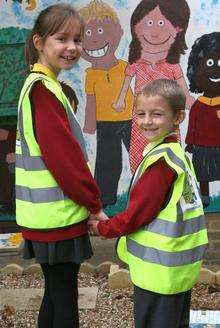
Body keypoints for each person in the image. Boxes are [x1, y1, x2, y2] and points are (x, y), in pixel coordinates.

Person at [89, 79, 208, 328]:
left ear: (178, 117)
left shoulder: (161, 164)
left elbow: (137, 215)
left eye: (157, 114)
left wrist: (103, 228)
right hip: (177, 270)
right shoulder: (177, 154)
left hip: (158, 272)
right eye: (141, 114)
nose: (146, 121)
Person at [15, 4, 104, 328]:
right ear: (39, 42)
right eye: (62, 38)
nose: (72, 47)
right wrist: (93, 202)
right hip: (58, 220)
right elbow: (65, 162)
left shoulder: (38, 86)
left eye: (78, 40)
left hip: (45, 219)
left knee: (56, 294)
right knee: (65, 301)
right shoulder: (44, 91)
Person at [113, 0, 195, 173]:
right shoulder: (137, 65)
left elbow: (183, 91)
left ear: (178, 29)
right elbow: (126, 82)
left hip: (166, 120)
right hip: (141, 119)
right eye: (149, 22)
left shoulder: (172, 66)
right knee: (139, 157)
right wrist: (120, 100)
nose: (155, 31)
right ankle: (141, 185)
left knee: (167, 158)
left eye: (161, 23)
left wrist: (188, 100)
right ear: (136, 26)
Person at [79, 0, 134, 207]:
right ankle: (107, 197)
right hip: (105, 122)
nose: (93, 40)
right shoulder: (90, 74)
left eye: (100, 30)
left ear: (118, 33)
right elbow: (91, 99)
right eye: (87, 34)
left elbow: (132, 92)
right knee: (107, 162)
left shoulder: (124, 67)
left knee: (140, 156)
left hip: (130, 119)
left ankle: (146, 192)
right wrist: (89, 123)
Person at [185, 32, 220, 208]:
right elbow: (192, 127)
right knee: (203, 174)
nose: (215, 69)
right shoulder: (198, 106)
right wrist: (190, 143)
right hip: (202, 148)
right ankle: (204, 196)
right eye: (209, 63)